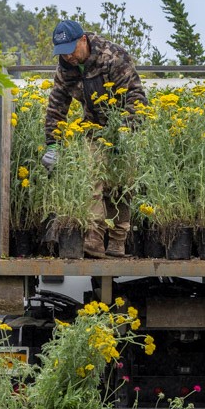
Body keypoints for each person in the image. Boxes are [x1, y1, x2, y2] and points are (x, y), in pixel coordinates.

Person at [42, 19, 147, 259]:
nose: (67, 56)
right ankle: (94, 238)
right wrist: (52, 144)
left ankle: (118, 240)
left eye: (70, 50)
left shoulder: (113, 57)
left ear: (82, 40)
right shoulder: (66, 68)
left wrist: (124, 133)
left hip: (124, 129)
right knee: (92, 179)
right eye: (62, 52)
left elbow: (136, 96)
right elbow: (57, 106)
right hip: (94, 129)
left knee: (121, 184)